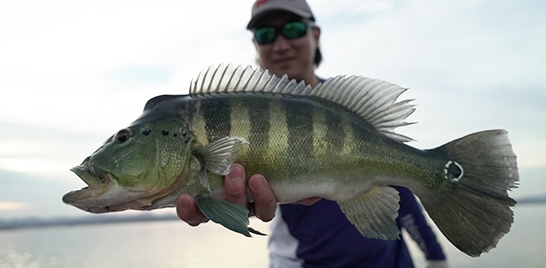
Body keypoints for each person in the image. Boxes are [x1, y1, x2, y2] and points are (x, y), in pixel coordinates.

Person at [176, 0, 449, 267]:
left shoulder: (350, 111)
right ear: (256, 45)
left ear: (315, 34)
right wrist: (228, 204)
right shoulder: (238, 113)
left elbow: (403, 184)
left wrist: (435, 255)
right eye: (265, 34)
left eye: (293, 29)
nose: (281, 45)